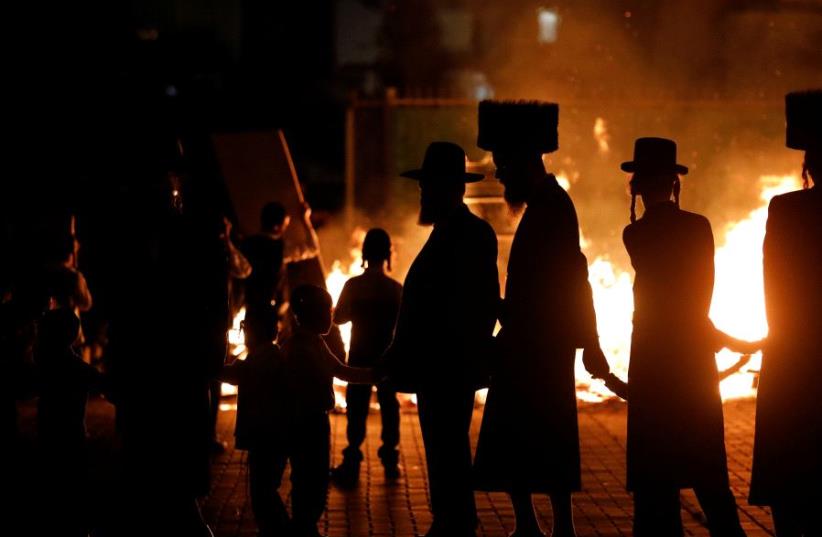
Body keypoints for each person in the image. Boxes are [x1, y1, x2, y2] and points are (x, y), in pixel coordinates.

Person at [472, 100, 616, 537]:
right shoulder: (545, 205)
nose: (498, 174)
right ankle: (531, 526)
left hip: (541, 346)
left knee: (541, 433)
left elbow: (575, 277)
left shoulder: (553, 206)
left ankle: (556, 527)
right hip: (530, 342)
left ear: (522, 160)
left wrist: (590, 342)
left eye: (502, 163)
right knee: (531, 433)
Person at [620, 137, 757, 537]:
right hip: (693, 362)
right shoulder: (699, 228)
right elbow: (698, 297)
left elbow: (664, 301)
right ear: (675, 183)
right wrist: (720, 337)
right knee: (709, 477)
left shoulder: (635, 235)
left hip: (651, 363)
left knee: (654, 483)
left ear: (637, 186)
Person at [384, 141, 500, 537]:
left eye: (427, 185)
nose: (421, 192)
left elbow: (478, 304)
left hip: (448, 366)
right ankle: (452, 518)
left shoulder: (468, 234)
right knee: (443, 447)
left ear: (448, 187)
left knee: (447, 447)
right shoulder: (455, 232)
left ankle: (456, 522)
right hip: (443, 365)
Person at [750, 90, 822, 537]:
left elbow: (773, 282)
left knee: (790, 474)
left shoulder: (786, 209)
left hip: (794, 356)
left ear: (808, 165)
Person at [282, 284, 378, 537]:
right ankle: (303, 525)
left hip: (315, 422)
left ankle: (305, 523)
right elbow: (338, 373)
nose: (332, 316)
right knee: (307, 478)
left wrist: (377, 375)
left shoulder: (314, 343)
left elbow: (342, 371)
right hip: (305, 424)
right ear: (314, 314)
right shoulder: (300, 348)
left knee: (313, 478)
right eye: (328, 310)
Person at [330, 228, 403, 487]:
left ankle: (352, 458)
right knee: (389, 406)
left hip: (359, 356)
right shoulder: (395, 289)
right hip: (386, 356)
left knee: (357, 409)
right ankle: (390, 458)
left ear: (364, 253)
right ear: (388, 254)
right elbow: (402, 325)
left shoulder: (353, 286)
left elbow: (338, 318)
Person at [220, 309, 290, 537]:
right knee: (265, 490)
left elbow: (238, 374)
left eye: (245, 328)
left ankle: (279, 531)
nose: (244, 333)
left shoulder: (265, 358)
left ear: (257, 331)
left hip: (267, 437)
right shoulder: (269, 355)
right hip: (270, 436)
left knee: (263, 492)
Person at [34, 308, 104, 536]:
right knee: (75, 489)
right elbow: (107, 386)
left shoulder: (45, 367)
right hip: (74, 436)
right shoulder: (77, 368)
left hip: (49, 435)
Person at [241, 201, 290, 325]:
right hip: (269, 310)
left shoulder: (247, 244)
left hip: (252, 308)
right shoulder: (279, 248)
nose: (285, 229)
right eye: (285, 225)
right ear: (276, 227)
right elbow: (312, 247)